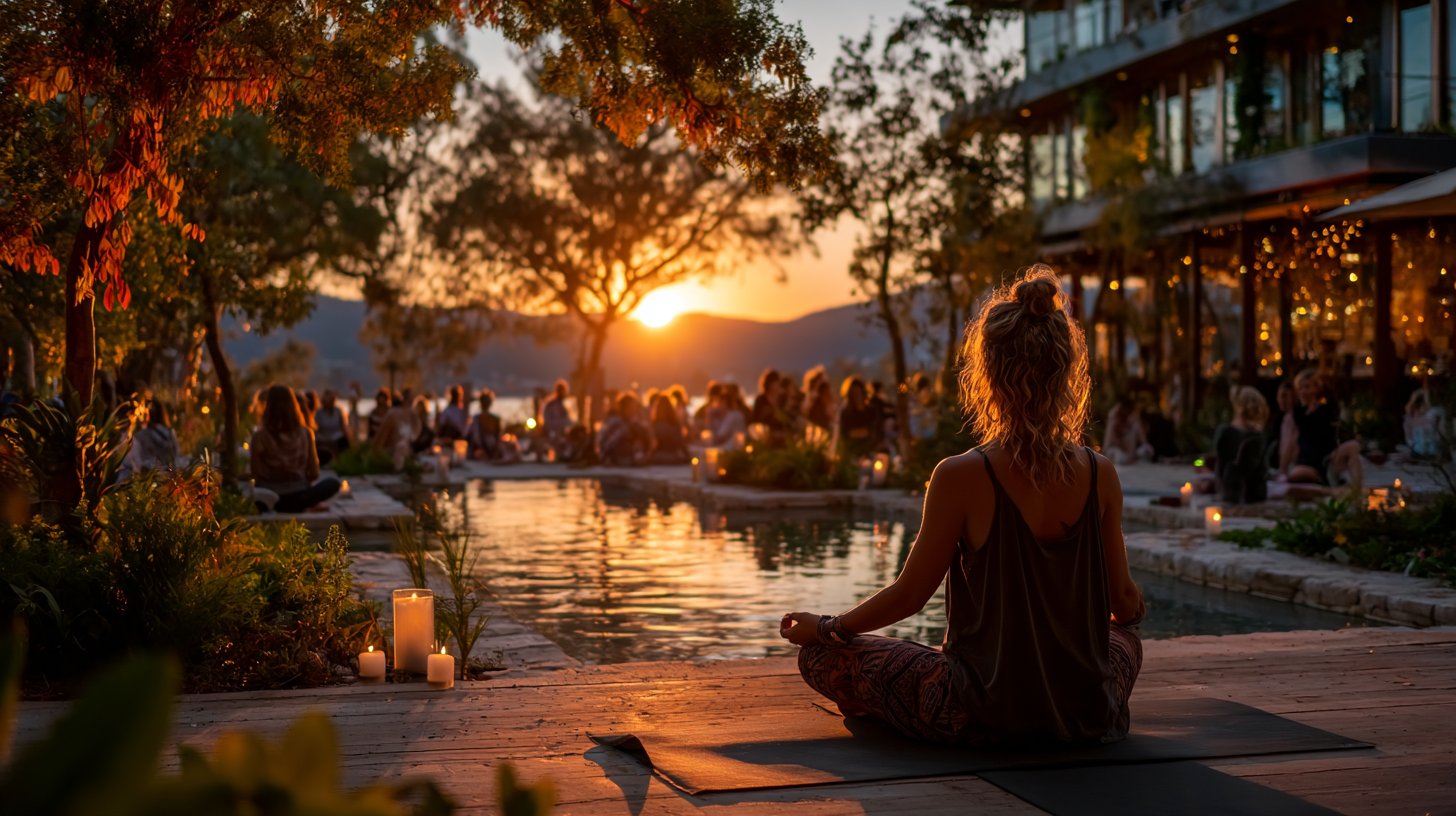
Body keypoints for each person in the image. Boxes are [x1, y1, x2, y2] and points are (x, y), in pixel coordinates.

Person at [780, 267, 1144, 747]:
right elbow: (1123, 605)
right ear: (1066, 374)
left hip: (974, 712)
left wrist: (828, 629)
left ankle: (884, 708)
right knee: (1127, 642)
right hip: (1086, 712)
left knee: (820, 658)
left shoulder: (960, 475)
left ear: (987, 374)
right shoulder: (1102, 474)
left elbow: (910, 596)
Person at [250, 384, 341, 513]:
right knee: (333, 483)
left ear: (268, 406)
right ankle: (299, 504)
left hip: (269, 496)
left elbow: (256, 474)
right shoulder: (306, 433)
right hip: (299, 494)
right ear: (293, 405)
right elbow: (314, 473)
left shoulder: (259, 436)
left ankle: (273, 505)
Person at [1279, 368, 1363, 490]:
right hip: (1308, 461)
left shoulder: (1326, 409)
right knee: (1297, 475)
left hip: (1329, 459)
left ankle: (1357, 490)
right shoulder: (1299, 414)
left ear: (1316, 388)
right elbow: (1292, 441)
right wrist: (1283, 469)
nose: (1303, 391)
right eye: (1301, 388)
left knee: (1353, 447)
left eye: (1307, 387)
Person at [1214, 386, 1269, 504]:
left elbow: (1220, 465)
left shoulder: (1226, 432)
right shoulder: (1259, 436)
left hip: (1231, 491)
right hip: (1257, 493)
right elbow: (1263, 468)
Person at [118, 399, 180, 480]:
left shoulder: (140, 436)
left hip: (152, 481)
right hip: (171, 479)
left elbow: (138, 464)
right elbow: (177, 454)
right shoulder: (170, 432)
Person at [598, 392, 650, 466]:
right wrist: (622, 432)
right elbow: (606, 446)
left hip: (630, 459)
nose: (634, 410)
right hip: (617, 458)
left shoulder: (636, 424)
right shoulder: (614, 423)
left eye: (634, 407)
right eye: (631, 407)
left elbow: (645, 444)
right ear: (623, 407)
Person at [1103, 393, 1153, 465]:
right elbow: (1114, 440)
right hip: (1117, 450)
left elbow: (1142, 437)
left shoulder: (1132, 416)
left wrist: (1144, 444)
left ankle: (1133, 459)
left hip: (1131, 453)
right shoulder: (1114, 417)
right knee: (1119, 458)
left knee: (1148, 450)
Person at [836, 376, 878, 460]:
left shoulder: (871, 411)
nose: (857, 395)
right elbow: (844, 434)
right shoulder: (846, 413)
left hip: (870, 452)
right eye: (854, 393)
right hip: (852, 453)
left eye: (859, 392)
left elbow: (875, 431)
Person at [648, 392, 690, 464]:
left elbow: (652, 446)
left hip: (658, 458)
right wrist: (688, 457)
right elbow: (681, 443)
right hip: (673, 458)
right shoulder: (675, 425)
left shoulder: (654, 425)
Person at [313, 389, 352, 466]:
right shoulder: (319, 413)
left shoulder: (338, 411)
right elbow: (315, 429)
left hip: (337, 436)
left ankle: (343, 461)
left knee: (344, 441)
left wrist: (349, 437)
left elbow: (343, 427)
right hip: (323, 437)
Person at [540, 379, 573, 460]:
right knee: (559, 439)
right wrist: (564, 423)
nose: (564, 393)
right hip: (552, 433)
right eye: (561, 391)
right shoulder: (551, 405)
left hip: (560, 433)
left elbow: (567, 421)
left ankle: (564, 456)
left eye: (564, 391)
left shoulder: (562, 405)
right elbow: (548, 422)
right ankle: (560, 456)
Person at [467, 389, 504, 461]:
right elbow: (498, 438)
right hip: (491, 452)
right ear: (490, 403)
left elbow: (473, 438)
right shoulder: (495, 419)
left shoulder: (475, 418)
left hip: (480, 452)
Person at [712, 383, 749, 448]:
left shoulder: (732, 415)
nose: (718, 406)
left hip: (730, 448)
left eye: (720, 403)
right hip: (737, 446)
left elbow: (720, 436)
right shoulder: (737, 413)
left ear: (725, 403)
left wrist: (709, 418)